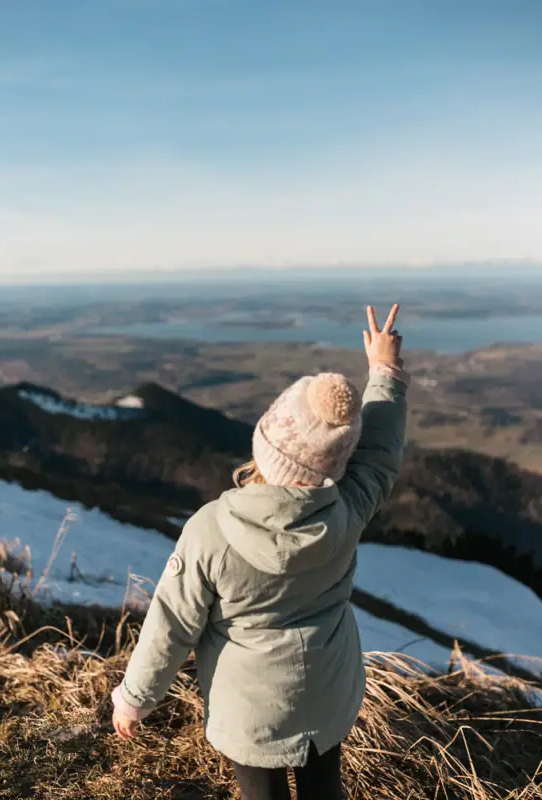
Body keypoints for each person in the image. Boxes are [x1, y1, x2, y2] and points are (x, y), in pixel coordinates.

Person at [111, 304, 409, 800]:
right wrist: (385, 371)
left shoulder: (210, 530)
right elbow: (380, 453)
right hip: (328, 695)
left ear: (265, 443)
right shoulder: (348, 510)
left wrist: (134, 700)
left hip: (250, 713)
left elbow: (171, 623)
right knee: (324, 788)